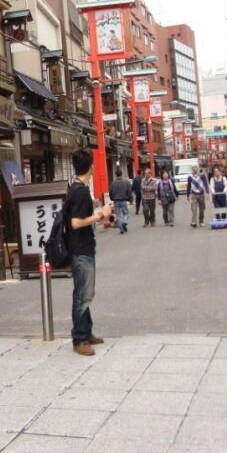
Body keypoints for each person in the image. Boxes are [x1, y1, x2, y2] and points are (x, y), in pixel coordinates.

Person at [67, 148, 106, 356]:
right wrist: (100, 215)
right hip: (81, 249)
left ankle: (86, 331)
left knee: (84, 292)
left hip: (80, 248)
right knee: (83, 295)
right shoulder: (80, 191)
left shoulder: (74, 188)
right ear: (91, 166)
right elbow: (76, 222)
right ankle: (80, 339)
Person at [108, 168, 132, 234]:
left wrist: (111, 198)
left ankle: (121, 229)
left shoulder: (113, 183)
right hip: (123, 200)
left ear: (116, 174)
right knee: (126, 213)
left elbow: (110, 192)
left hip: (116, 200)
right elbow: (129, 191)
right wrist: (130, 199)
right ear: (121, 174)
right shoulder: (126, 182)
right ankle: (124, 222)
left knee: (118, 215)